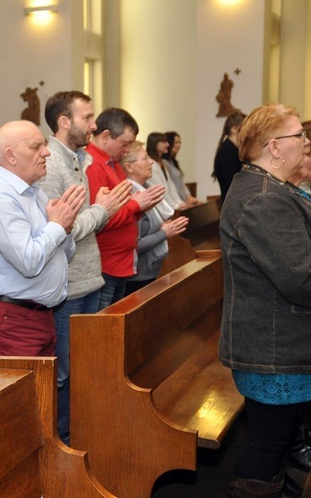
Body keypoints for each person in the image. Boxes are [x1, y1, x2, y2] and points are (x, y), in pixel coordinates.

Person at [219, 104, 311, 497]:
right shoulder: (262, 199)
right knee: (266, 441)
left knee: (276, 435)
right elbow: (301, 279)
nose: (306, 142)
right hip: (273, 345)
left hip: (277, 338)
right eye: (299, 136)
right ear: (275, 147)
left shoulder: (270, 187)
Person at [37, 90, 131, 444]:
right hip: (70, 285)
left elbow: (84, 222)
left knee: (83, 369)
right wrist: (102, 209)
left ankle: (81, 432)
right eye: (87, 117)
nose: (94, 125)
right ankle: (60, 441)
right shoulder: (53, 165)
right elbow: (63, 227)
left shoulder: (77, 160)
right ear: (65, 122)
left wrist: (102, 210)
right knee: (63, 373)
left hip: (89, 277)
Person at [0, 120, 85, 374]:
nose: (47, 152)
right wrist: (57, 225)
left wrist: (64, 227)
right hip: (13, 318)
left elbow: (65, 255)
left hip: (39, 315)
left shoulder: (33, 191)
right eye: (36, 146)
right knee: (18, 405)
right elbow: (29, 262)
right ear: (10, 156)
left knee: (40, 399)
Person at [85, 108, 165, 309]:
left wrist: (140, 204)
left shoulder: (112, 164)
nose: (128, 150)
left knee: (116, 324)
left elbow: (124, 207)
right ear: (105, 136)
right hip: (107, 264)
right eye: (125, 143)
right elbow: (102, 217)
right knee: (105, 327)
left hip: (121, 263)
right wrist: (136, 204)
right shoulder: (93, 165)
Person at [121, 141, 188, 295]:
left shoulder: (146, 187)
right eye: (145, 158)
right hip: (136, 276)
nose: (151, 162)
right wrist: (164, 232)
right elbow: (133, 244)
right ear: (129, 166)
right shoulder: (130, 194)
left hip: (149, 272)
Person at [213, 111, 246, 203]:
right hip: (234, 205)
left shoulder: (234, 149)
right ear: (234, 129)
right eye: (245, 127)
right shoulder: (227, 151)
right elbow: (233, 183)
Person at [146, 132, 184, 210]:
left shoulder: (162, 163)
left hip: (169, 206)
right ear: (155, 144)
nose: (167, 145)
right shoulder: (151, 164)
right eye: (164, 142)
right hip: (160, 207)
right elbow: (161, 189)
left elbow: (170, 185)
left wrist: (179, 203)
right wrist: (175, 206)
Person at [163, 131, 200, 207]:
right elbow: (172, 185)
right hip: (176, 201)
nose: (179, 145)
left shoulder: (173, 162)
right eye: (176, 142)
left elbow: (181, 183)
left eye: (179, 142)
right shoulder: (164, 163)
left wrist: (189, 196)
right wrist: (185, 199)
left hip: (183, 200)